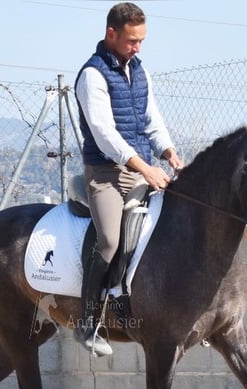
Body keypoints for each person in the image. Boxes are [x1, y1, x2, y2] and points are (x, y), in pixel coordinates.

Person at [74, 1, 183, 356]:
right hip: (105, 174)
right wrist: (146, 168)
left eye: (141, 41)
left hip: (141, 168)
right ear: (111, 34)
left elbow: (152, 121)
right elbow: (105, 134)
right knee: (108, 239)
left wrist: (168, 154)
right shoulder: (92, 76)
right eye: (132, 41)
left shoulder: (140, 71)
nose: (137, 47)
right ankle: (88, 322)